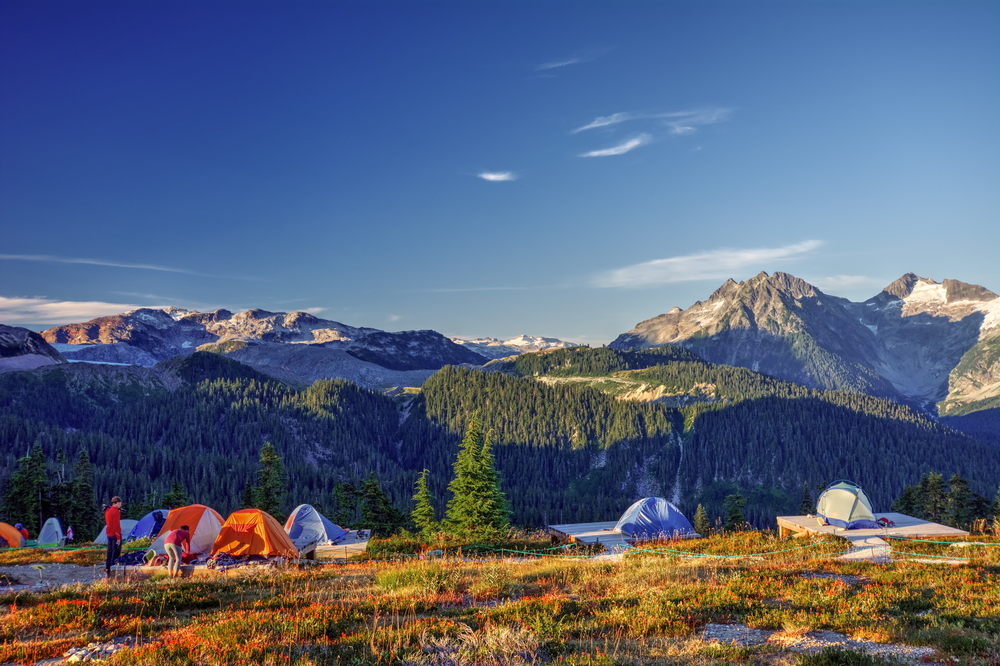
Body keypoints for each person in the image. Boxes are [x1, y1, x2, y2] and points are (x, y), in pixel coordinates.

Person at [104, 497, 123, 579]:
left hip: (109, 534)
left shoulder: (108, 511)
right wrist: (118, 537)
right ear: (114, 503)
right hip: (115, 534)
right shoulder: (116, 512)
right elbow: (116, 525)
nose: (120, 505)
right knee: (115, 553)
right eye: (118, 503)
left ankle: (108, 570)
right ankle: (113, 570)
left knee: (110, 552)